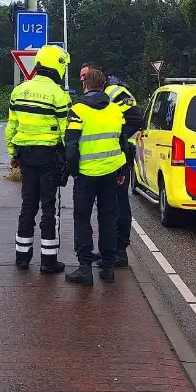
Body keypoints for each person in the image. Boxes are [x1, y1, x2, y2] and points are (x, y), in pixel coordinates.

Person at [5, 44, 72, 273]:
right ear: (57, 66)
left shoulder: (19, 91)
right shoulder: (58, 95)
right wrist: (68, 160)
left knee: (28, 206)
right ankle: (48, 261)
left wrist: (13, 154)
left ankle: (22, 258)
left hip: (25, 156)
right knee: (49, 208)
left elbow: (11, 128)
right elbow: (66, 132)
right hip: (48, 157)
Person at [63, 68, 132, 285]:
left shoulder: (77, 111)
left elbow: (71, 145)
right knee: (108, 218)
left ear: (85, 85)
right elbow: (122, 143)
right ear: (103, 86)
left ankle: (85, 269)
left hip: (86, 175)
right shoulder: (116, 110)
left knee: (82, 219)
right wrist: (121, 171)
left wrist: (72, 171)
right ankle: (108, 268)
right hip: (111, 172)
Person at [79, 63, 141, 268]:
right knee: (110, 206)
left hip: (119, 156)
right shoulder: (101, 95)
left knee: (118, 204)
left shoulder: (114, 91)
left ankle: (120, 251)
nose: (82, 80)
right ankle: (111, 250)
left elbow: (135, 118)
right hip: (110, 156)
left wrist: (117, 140)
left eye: (85, 75)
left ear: (98, 75)